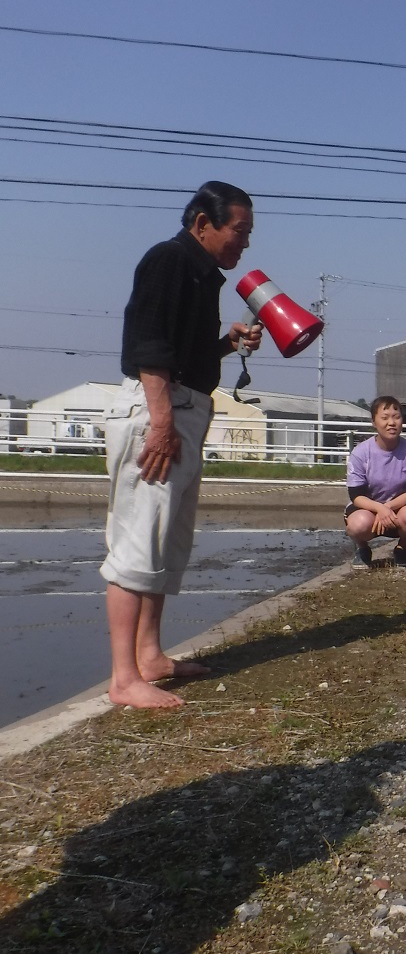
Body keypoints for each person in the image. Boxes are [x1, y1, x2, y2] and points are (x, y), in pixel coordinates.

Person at [100, 181, 261, 708]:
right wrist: (162, 422)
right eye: (239, 231)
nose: (244, 243)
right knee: (137, 540)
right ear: (202, 223)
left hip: (183, 407)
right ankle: (124, 678)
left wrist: (227, 342)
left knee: (166, 540)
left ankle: (149, 655)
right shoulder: (168, 260)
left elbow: (184, 352)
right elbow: (149, 346)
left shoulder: (200, 276)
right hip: (158, 411)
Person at [345, 395, 406, 569]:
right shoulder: (360, 453)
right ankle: (362, 548)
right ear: (374, 422)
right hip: (367, 510)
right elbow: (355, 495)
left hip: (398, 510)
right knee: (357, 524)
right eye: (385, 417)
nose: (391, 422)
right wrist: (379, 508)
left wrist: (387, 508)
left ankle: (402, 548)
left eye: (396, 417)